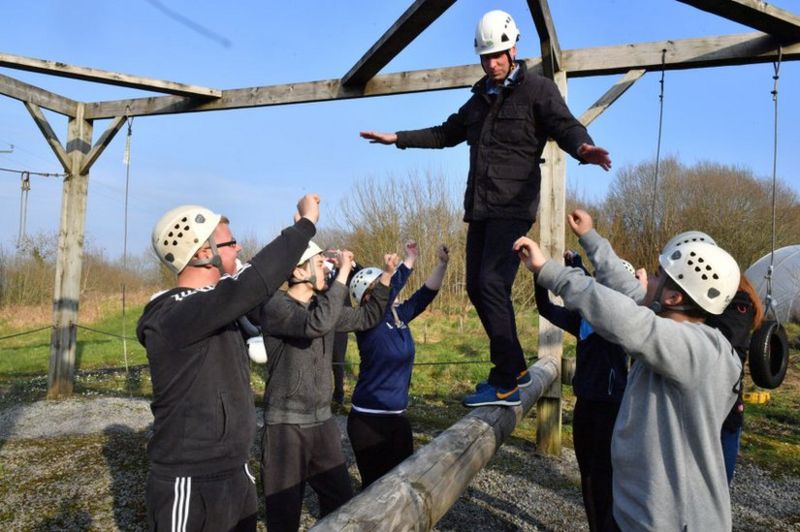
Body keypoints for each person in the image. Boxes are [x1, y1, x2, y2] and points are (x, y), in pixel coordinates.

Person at [360, 9, 611, 407]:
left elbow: (564, 125)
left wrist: (583, 147)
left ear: (513, 50)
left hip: (513, 206)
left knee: (493, 284)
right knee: (477, 287)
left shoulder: (538, 90)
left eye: (497, 56)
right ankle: (512, 369)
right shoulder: (478, 101)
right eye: (485, 57)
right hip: (479, 207)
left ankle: (507, 381)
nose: (492, 64)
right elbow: (445, 133)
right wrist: (398, 138)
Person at [514, 209, 742, 531]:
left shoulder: (698, 350)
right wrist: (591, 238)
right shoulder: (673, 326)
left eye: (660, 277)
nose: (648, 279)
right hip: (637, 514)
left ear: (674, 297)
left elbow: (628, 319)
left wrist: (550, 271)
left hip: (671, 523)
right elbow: (625, 293)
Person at [136, 194, 320, 532]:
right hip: (190, 482)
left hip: (235, 472)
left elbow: (260, 292)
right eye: (230, 243)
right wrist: (305, 227)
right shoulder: (176, 313)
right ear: (205, 253)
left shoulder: (218, 307)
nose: (238, 249)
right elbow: (252, 283)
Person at [257, 243, 398, 532]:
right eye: (320, 264)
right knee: (283, 518)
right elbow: (315, 325)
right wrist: (344, 274)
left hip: (322, 423)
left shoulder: (323, 306)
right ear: (298, 270)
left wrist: (385, 278)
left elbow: (367, 317)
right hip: (286, 427)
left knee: (341, 505)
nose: (328, 269)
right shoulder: (276, 307)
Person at [534, 249, 629, 531]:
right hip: (585, 402)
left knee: (606, 475)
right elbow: (546, 309)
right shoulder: (585, 321)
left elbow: (594, 296)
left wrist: (576, 265)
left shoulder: (623, 321)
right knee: (586, 473)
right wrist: (539, 276)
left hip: (612, 406)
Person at [347, 240, 449, 488]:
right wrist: (405, 264)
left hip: (397, 418)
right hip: (368, 421)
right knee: (374, 490)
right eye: (383, 283)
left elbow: (425, 294)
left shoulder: (397, 315)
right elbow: (390, 291)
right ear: (369, 296)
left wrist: (442, 264)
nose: (390, 286)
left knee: (401, 486)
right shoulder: (367, 322)